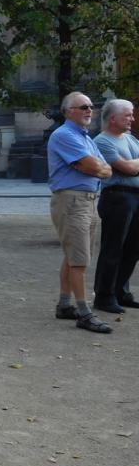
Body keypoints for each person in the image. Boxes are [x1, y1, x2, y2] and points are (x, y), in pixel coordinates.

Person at [48, 91, 113, 333]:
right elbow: (93, 165)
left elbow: (105, 169)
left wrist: (96, 168)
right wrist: (95, 167)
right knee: (79, 259)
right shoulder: (64, 135)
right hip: (73, 201)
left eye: (91, 106)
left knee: (73, 255)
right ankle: (84, 313)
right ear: (67, 112)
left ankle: (65, 305)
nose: (89, 110)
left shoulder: (86, 138)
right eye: (83, 107)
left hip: (88, 200)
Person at [92, 99, 139, 314]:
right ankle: (104, 296)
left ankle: (120, 292)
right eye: (128, 115)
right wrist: (133, 165)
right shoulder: (102, 141)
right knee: (113, 248)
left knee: (133, 248)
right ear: (113, 118)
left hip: (135, 197)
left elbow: (131, 167)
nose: (132, 119)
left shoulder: (130, 138)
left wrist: (132, 165)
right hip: (117, 198)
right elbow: (127, 168)